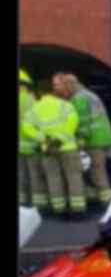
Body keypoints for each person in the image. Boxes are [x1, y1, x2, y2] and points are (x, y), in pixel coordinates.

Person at [55, 72, 111, 206]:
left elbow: (83, 122)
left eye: (64, 86)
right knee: (99, 170)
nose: (63, 90)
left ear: (70, 85)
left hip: (94, 140)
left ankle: (107, 202)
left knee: (97, 172)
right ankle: (105, 200)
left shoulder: (79, 98)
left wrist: (80, 140)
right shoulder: (87, 94)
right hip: (103, 137)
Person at [26, 81, 84, 218]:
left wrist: (44, 139)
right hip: (68, 147)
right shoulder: (65, 105)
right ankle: (78, 210)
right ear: (53, 91)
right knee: (74, 178)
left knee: (53, 179)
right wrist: (60, 139)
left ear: (39, 93)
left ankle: (59, 210)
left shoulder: (34, 108)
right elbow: (73, 121)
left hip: (48, 149)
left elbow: (26, 127)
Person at [18, 69, 44, 210]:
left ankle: (22, 201)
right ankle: (38, 203)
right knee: (35, 175)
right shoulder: (31, 100)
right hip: (32, 144)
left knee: (21, 175)